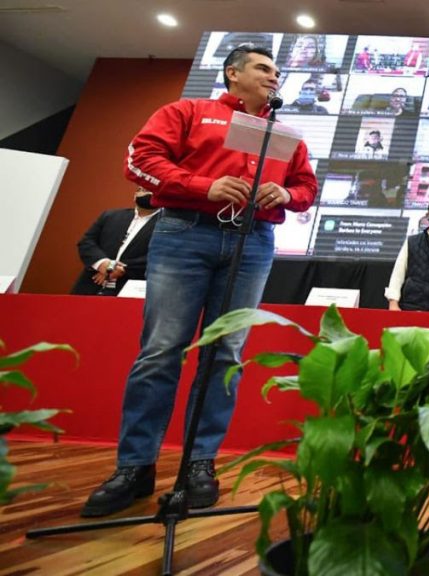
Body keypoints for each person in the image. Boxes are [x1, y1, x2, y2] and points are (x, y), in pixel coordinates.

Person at [81, 44, 317, 518]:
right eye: (264, 69)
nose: (275, 77)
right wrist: (200, 185)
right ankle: (135, 466)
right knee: (161, 349)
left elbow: (308, 189)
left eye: (277, 72)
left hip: (253, 242)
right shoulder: (188, 111)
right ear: (233, 73)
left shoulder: (284, 134)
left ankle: (199, 464)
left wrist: (286, 192)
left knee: (226, 353)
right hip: (184, 234)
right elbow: (139, 159)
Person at [71, 187, 161, 296]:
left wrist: (116, 269)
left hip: (131, 290)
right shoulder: (110, 216)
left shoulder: (168, 225)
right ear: (135, 194)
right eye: (143, 190)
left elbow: (161, 256)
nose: (148, 193)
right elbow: (86, 242)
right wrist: (102, 264)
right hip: (91, 284)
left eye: (152, 190)